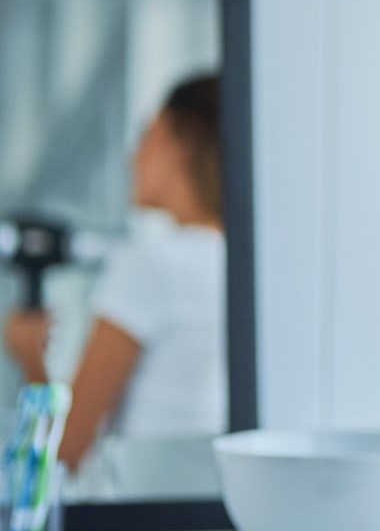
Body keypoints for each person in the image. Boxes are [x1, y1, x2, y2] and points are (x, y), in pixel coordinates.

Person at [4, 74, 226, 473]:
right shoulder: (233, 265)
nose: (133, 154)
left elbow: (65, 452)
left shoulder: (151, 264)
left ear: (181, 145)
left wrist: (30, 359)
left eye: (147, 135)